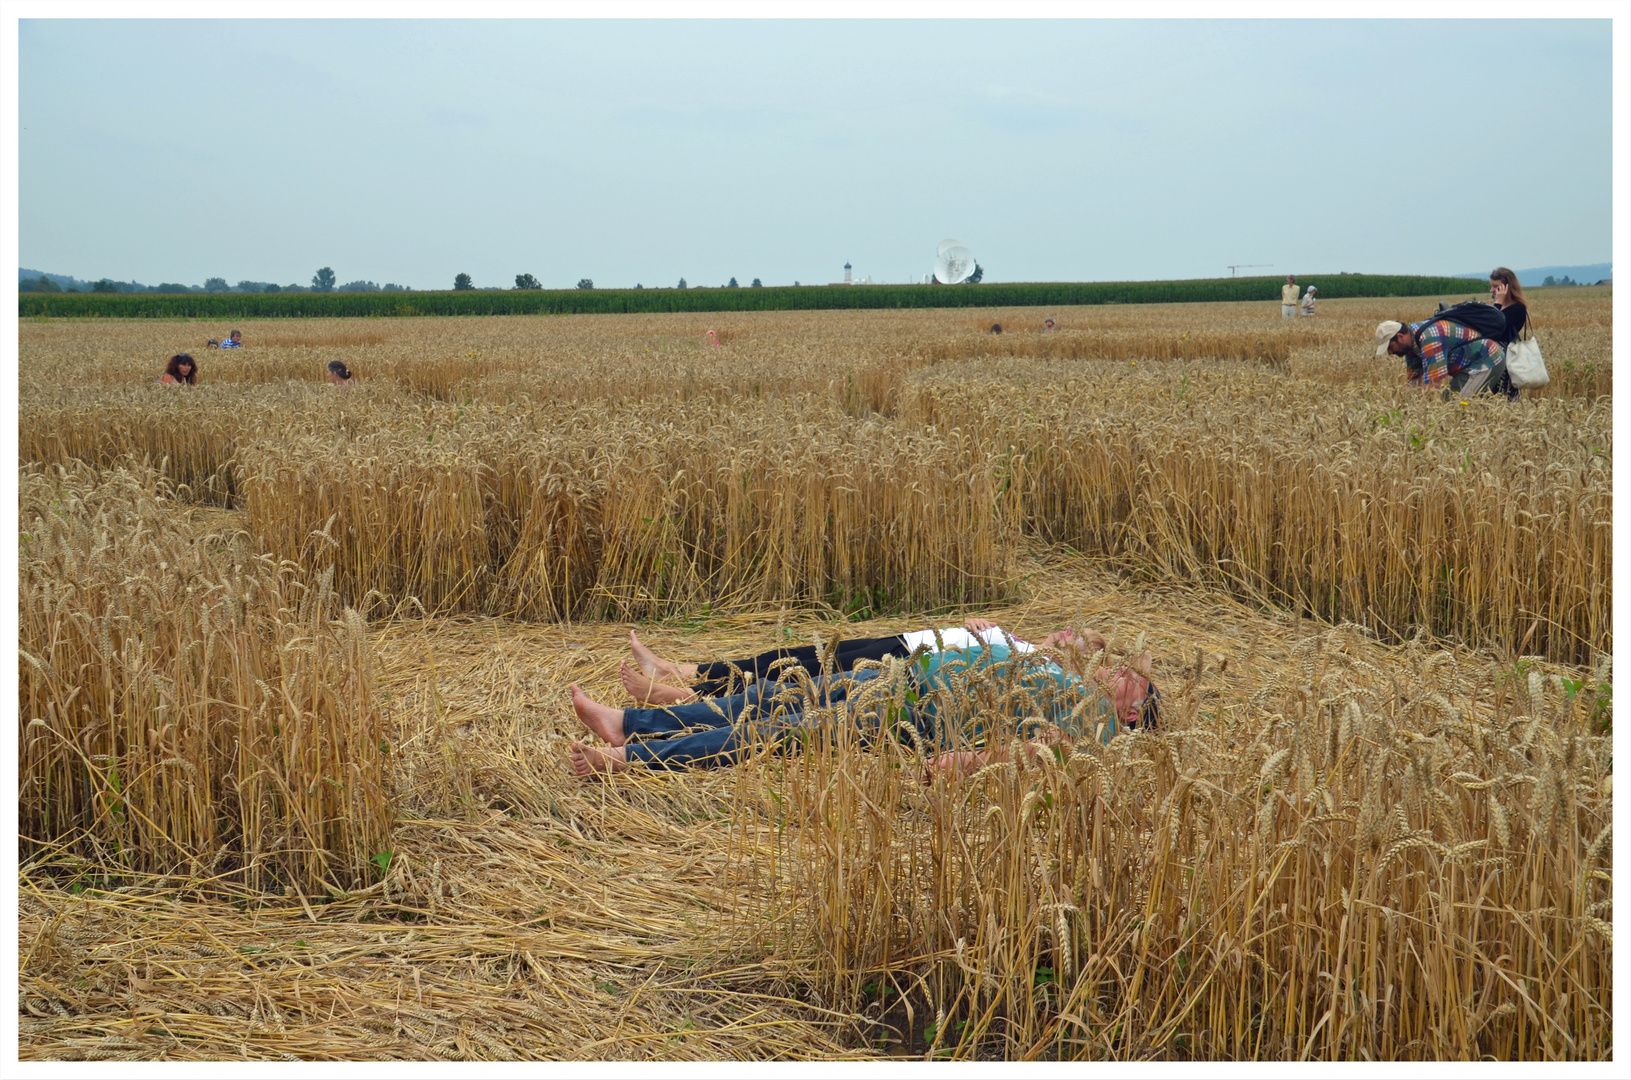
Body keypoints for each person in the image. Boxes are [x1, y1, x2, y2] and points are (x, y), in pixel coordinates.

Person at [568, 632, 1158, 777]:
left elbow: (1040, 749)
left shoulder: (1095, 727)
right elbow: (1082, 642)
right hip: (907, 676)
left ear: (1132, 714)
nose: (1126, 672)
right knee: (768, 694)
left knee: (777, 730)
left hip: (919, 713)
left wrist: (969, 762)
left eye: (1135, 682)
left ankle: (632, 760)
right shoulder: (1080, 684)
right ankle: (629, 723)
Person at [619, 618, 1107, 705]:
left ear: (1077, 661)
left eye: (1077, 640)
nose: (1065, 634)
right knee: (791, 657)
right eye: (1071, 629)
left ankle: (681, 696)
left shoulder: (1036, 672)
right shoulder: (1018, 641)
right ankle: (683, 671)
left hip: (911, 663)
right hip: (905, 640)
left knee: (805, 682)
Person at [1375, 314, 1506, 399]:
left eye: (1390, 347)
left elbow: (1433, 386)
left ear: (1400, 337)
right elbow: (1414, 383)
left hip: (1487, 360)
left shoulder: (1430, 340)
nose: (1390, 353)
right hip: (1467, 365)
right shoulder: (1410, 345)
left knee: (1455, 406)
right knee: (1449, 400)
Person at [1489, 267, 1528, 345]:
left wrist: (1497, 304)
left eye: (1495, 286)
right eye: (1491, 286)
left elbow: (1491, 326)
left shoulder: (1518, 309)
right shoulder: (1498, 307)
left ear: (1507, 288)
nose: (1491, 290)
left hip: (1504, 354)